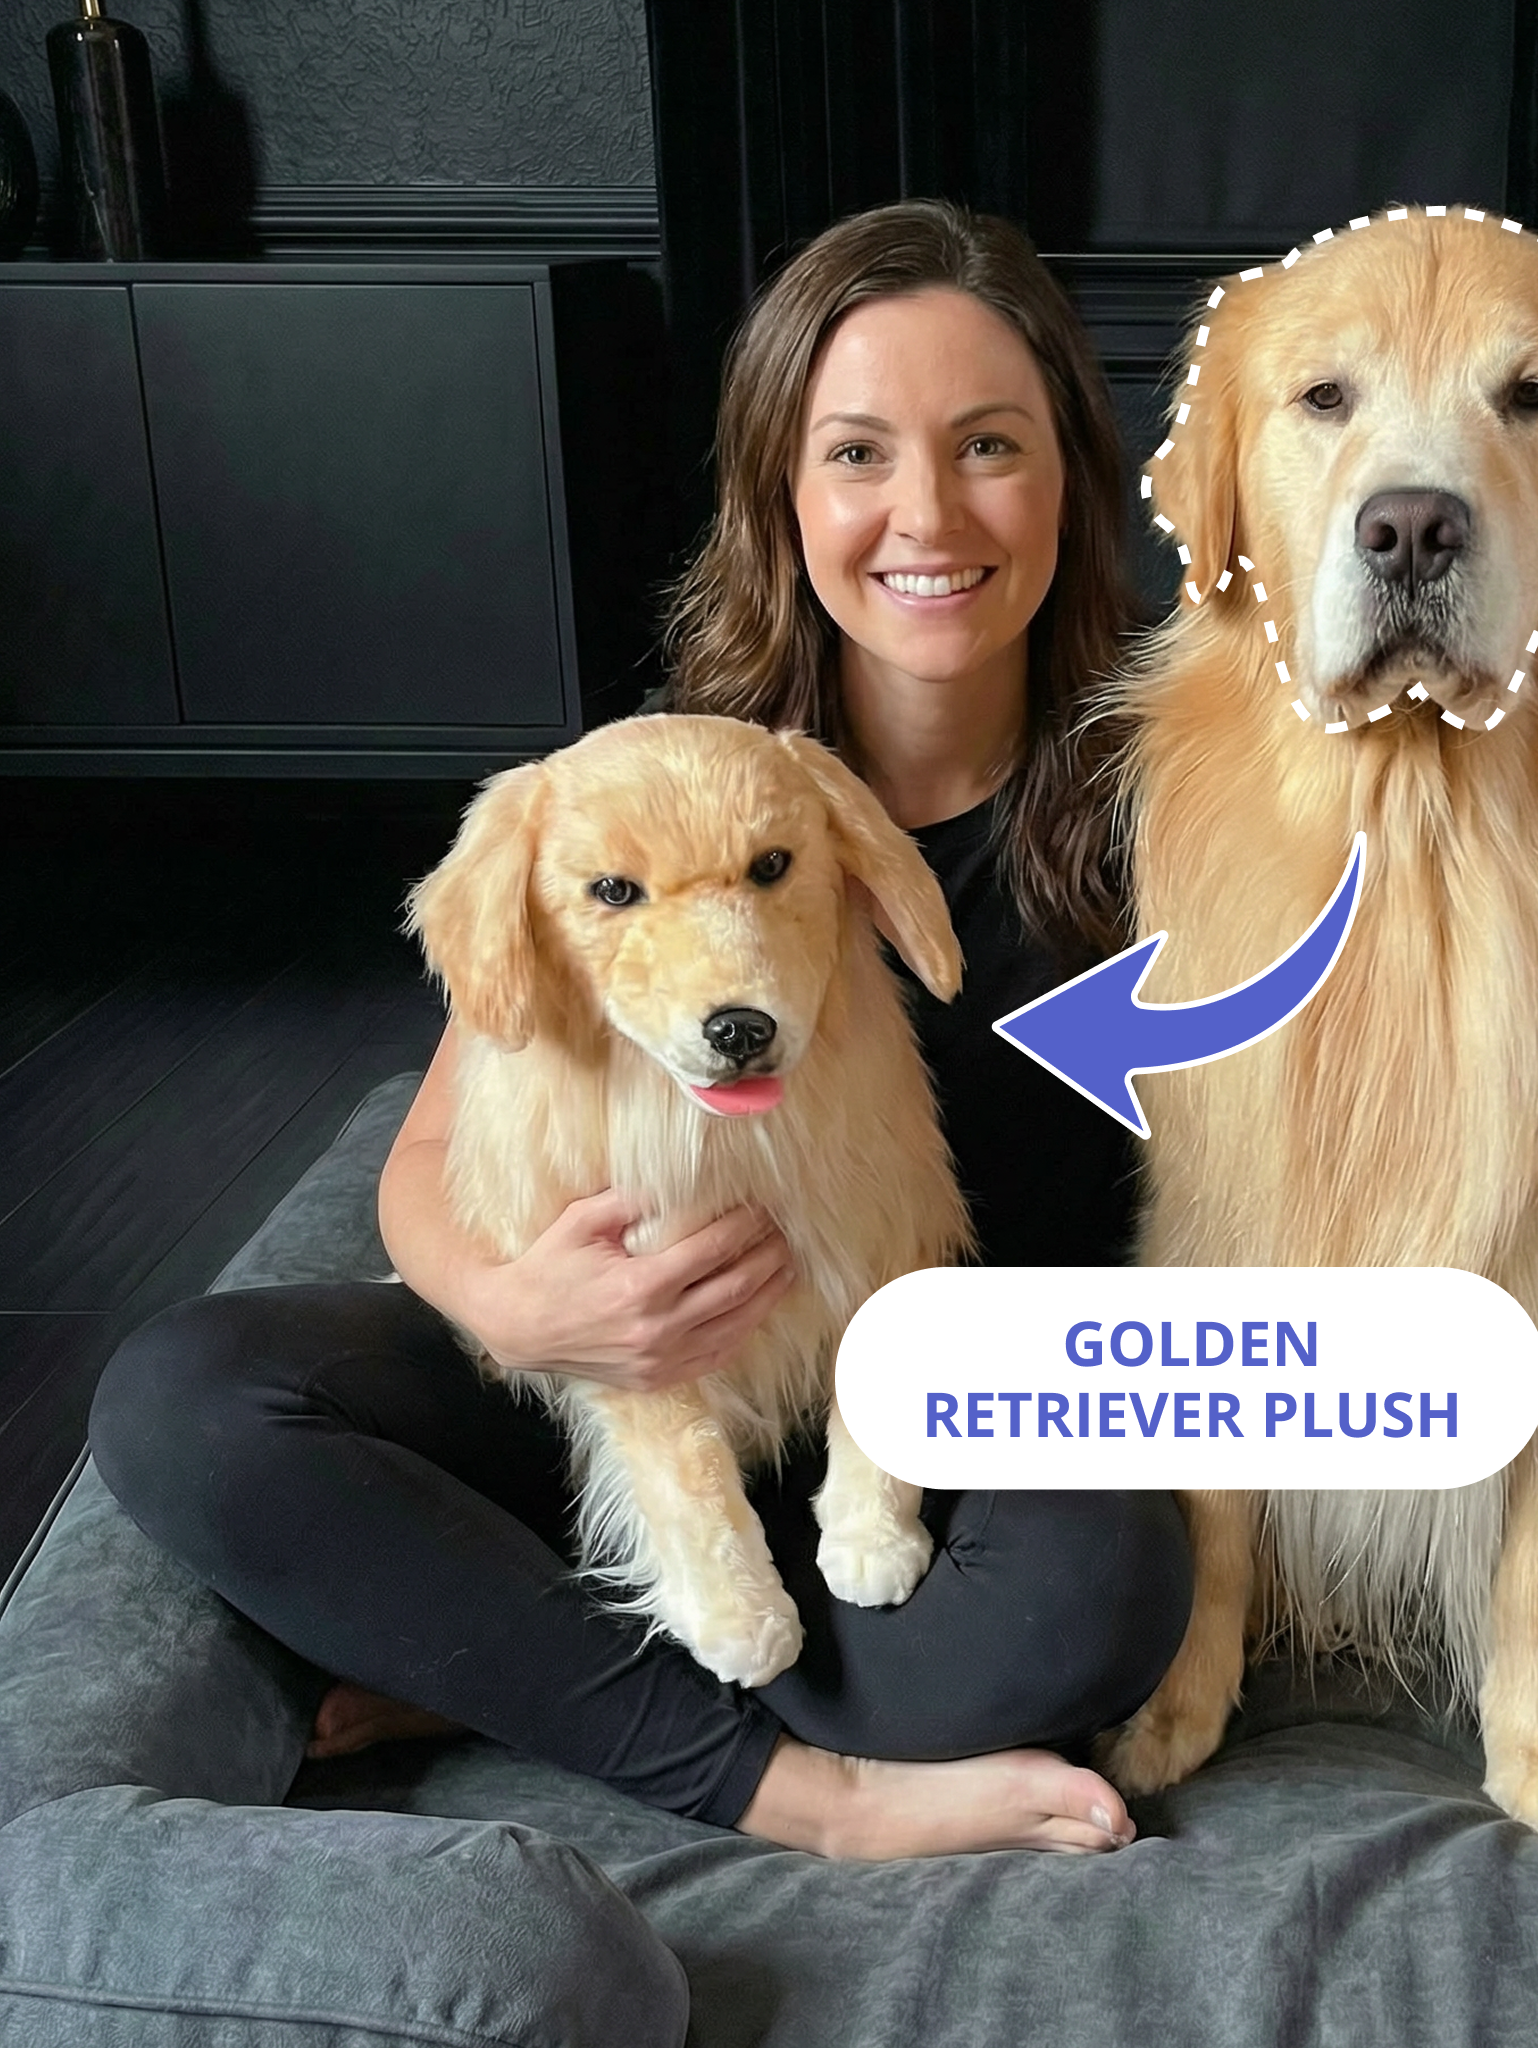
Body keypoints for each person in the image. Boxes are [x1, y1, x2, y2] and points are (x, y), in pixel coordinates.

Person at [88, 199, 1194, 1861]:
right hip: (639, 1389)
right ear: (781, 495)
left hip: (944, 1420)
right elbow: (434, 1152)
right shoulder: (674, 773)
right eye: (855, 454)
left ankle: (511, 1658)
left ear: (1070, 480)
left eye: (989, 445)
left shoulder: (1186, 798)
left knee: (1102, 1595)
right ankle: (798, 1787)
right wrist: (523, 1310)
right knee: (184, 1400)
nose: (926, 514)